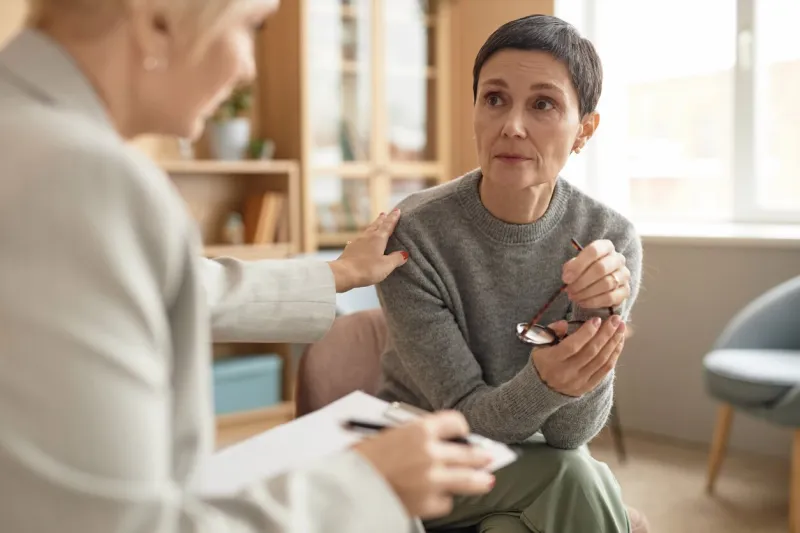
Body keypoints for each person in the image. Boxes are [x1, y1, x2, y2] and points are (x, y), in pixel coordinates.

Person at [0, 1, 496, 532]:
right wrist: (364, 487)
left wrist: (337, 275)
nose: (249, 68)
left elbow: (186, 285)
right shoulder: (82, 180)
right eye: (249, 28)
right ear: (157, 20)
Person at [376, 14, 647, 533]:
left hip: (537, 466)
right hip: (427, 461)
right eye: (494, 99)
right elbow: (465, 419)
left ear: (584, 130)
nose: (512, 126)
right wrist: (547, 382)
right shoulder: (412, 234)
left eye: (543, 104)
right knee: (577, 478)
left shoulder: (608, 240)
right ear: (475, 108)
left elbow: (572, 432)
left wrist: (597, 312)